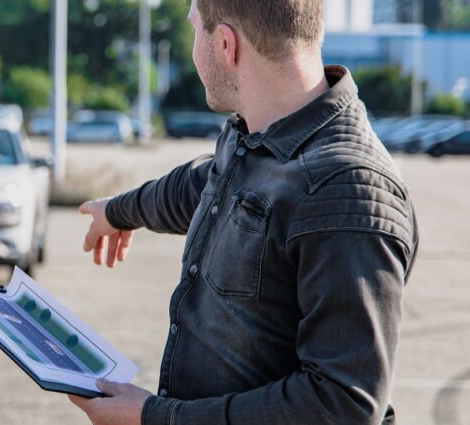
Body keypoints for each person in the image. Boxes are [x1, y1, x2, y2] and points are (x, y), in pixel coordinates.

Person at [69, 0, 419, 424]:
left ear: (225, 44)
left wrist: (156, 418)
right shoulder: (255, 134)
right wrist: (120, 211)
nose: (193, 49)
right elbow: (204, 186)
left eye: (195, 30)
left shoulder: (348, 190)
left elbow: (341, 404)